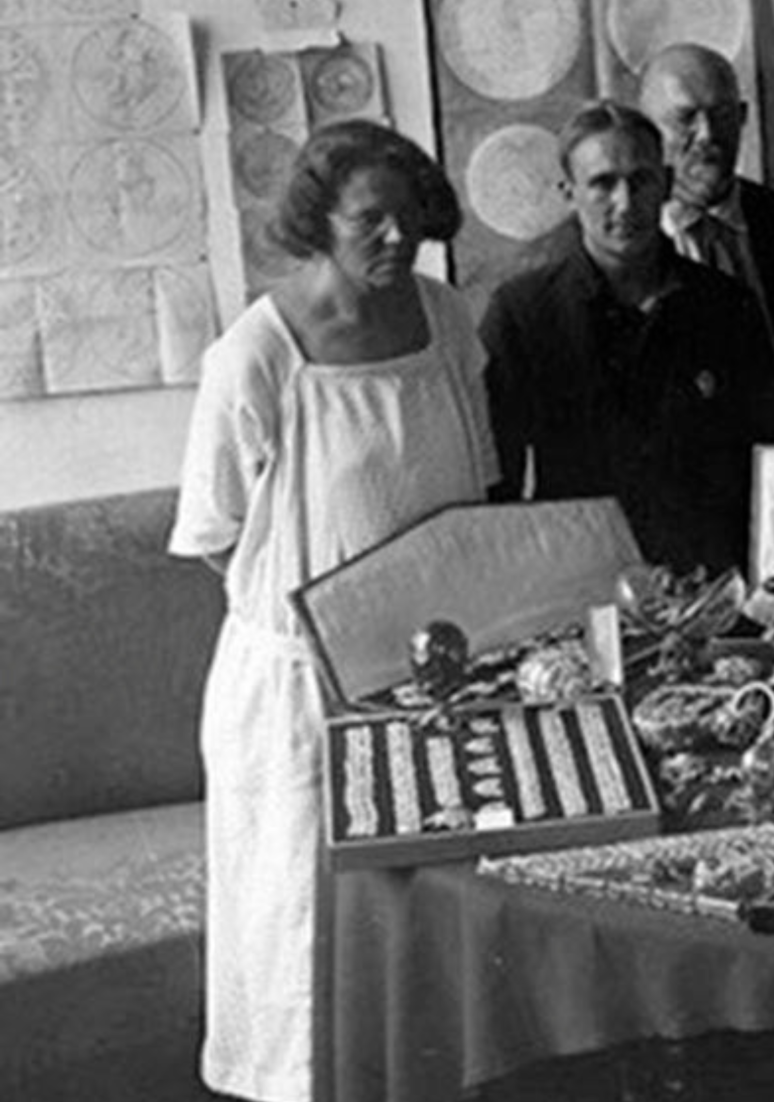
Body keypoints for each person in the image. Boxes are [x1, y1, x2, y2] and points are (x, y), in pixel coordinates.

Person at [169, 120, 500, 1102]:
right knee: (301, 944)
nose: (396, 238)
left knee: (429, 932)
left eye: (410, 218)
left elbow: (471, 487)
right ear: (319, 222)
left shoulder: (447, 322)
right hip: (298, 703)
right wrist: (322, 614)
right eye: (371, 220)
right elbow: (217, 531)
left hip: (429, 678)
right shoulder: (255, 355)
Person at [481, 101, 774, 572]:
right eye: (603, 183)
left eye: (641, 180)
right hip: (585, 585)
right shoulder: (523, 314)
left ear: (667, 185)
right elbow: (498, 481)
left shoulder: (725, 304)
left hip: (713, 585)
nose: (625, 203)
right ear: (568, 193)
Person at [637, 43, 774, 371]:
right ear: (647, 128)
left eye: (722, 115)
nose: (707, 134)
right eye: (685, 118)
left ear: (743, 117)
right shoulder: (620, 240)